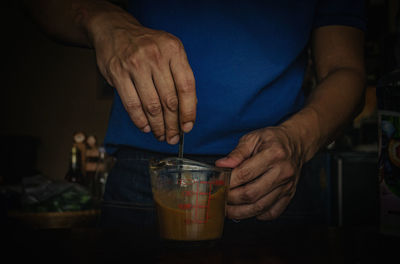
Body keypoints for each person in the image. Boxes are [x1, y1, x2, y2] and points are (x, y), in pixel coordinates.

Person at [23, 0, 366, 229]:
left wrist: (298, 139)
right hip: (145, 184)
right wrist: (101, 20)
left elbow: (346, 69)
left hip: (275, 180)